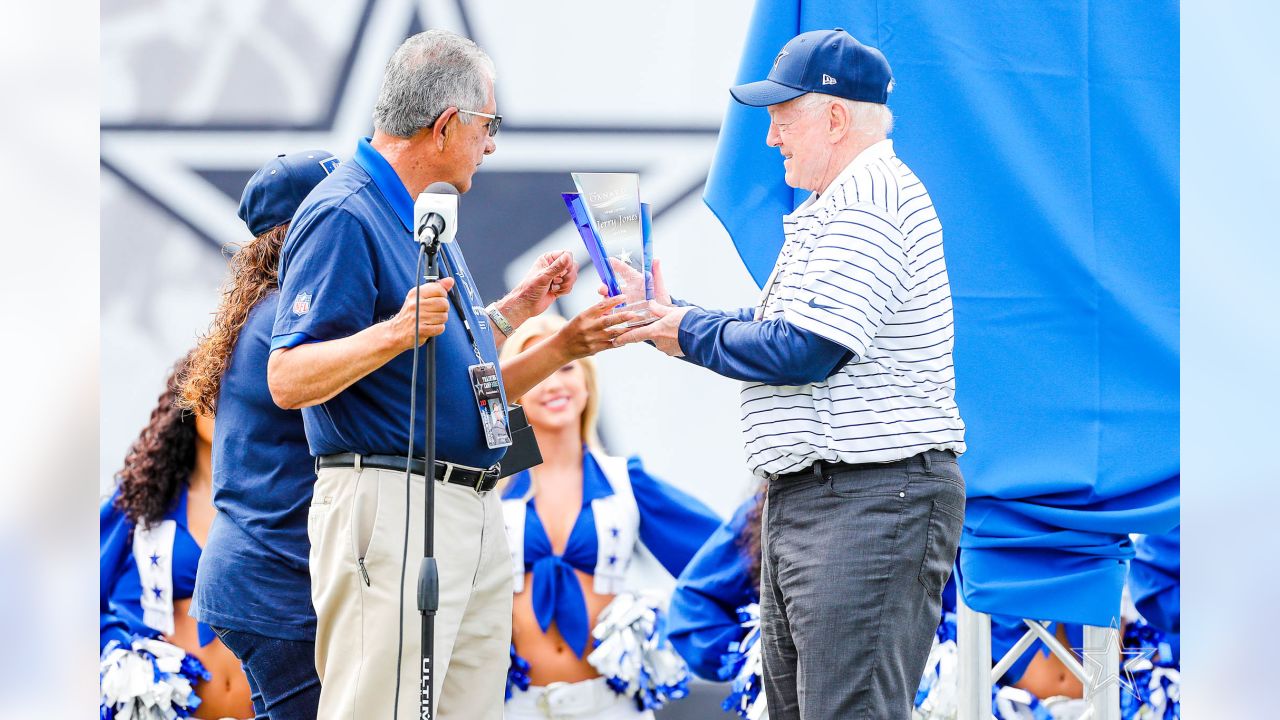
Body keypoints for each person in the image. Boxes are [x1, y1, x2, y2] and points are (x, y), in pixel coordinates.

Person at [265, 30, 636, 719]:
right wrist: (394, 330)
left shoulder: (426, 216)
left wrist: (521, 316)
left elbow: (453, 369)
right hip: (392, 498)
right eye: (488, 126)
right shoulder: (345, 212)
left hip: (467, 502)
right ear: (447, 125)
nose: (491, 144)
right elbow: (287, 376)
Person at [620, 29, 966, 719]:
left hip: (869, 500)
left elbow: (806, 348)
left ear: (836, 118)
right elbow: (782, 329)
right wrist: (670, 316)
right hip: (833, 500)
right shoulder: (839, 204)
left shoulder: (870, 198)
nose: (772, 135)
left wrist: (680, 328)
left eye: (784, 115)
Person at [177, 149, 338, 719]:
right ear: (307, 230)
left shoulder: (268, 312)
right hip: (272, 583)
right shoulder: (288, 322)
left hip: (254, 576)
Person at [497, 315, 721, 719]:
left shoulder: (624, 481)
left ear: (586, 382)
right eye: (538, 368)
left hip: (612, 705)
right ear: (513, 390)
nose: (553, 383)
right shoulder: (489, 493)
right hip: (516, 706)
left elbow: (719, 556)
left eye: (565, 367)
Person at [100, 352, 253, 719]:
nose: (228, 407)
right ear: (190, 402)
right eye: (216, 394)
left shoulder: (273, 502)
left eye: (241, 395)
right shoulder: (141, 500)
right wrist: (121, 651)